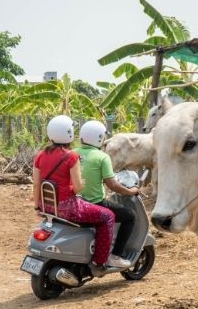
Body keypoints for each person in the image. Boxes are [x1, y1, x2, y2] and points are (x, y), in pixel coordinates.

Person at [32, 115, 131, 274]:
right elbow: (78, 188)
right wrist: (76, 186)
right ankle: (101, 261)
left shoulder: (40, 155)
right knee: (108, 216)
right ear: (69, 133)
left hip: (47, 206)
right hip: (68, 207)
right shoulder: (71, 156)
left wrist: (37, 205)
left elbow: (36, 184)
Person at [75, 120, 140, 259]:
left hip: (76, 203)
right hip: (95, 203)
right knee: (130, 216)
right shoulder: (102, 157)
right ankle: (116, 255)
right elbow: (113, 185)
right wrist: (131, 191)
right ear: (99, 138)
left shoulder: (72, 153)